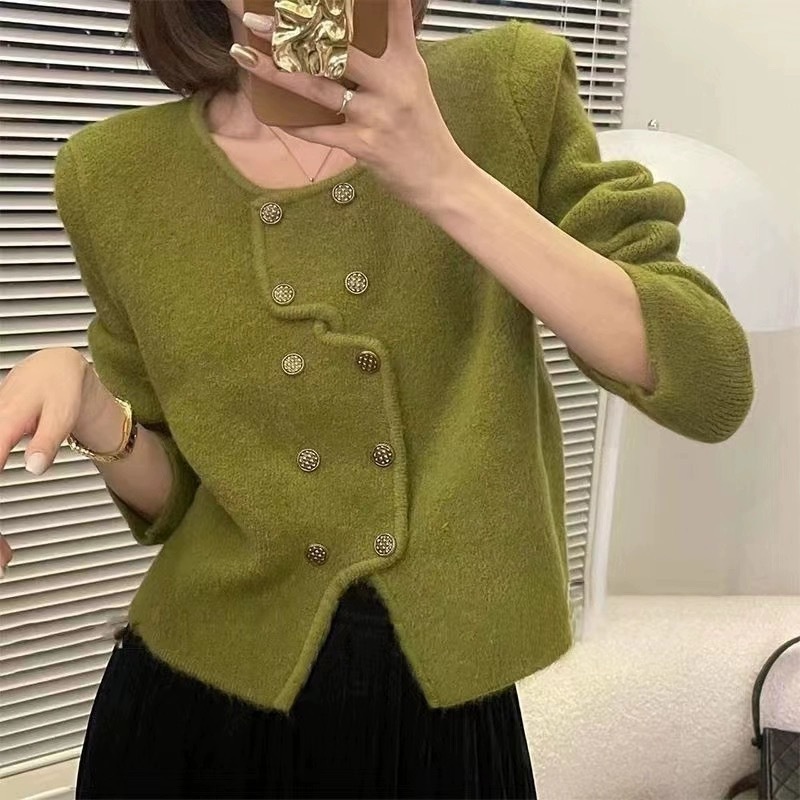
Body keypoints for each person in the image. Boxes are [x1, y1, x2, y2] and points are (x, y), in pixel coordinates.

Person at [0, 0, 755, 797]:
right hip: (188, 715)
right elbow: (179, 503)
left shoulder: (507, 87)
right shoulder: (113, 175)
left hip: (436, 727)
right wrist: (96, 412)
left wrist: (444, 177)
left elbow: (709, 382)